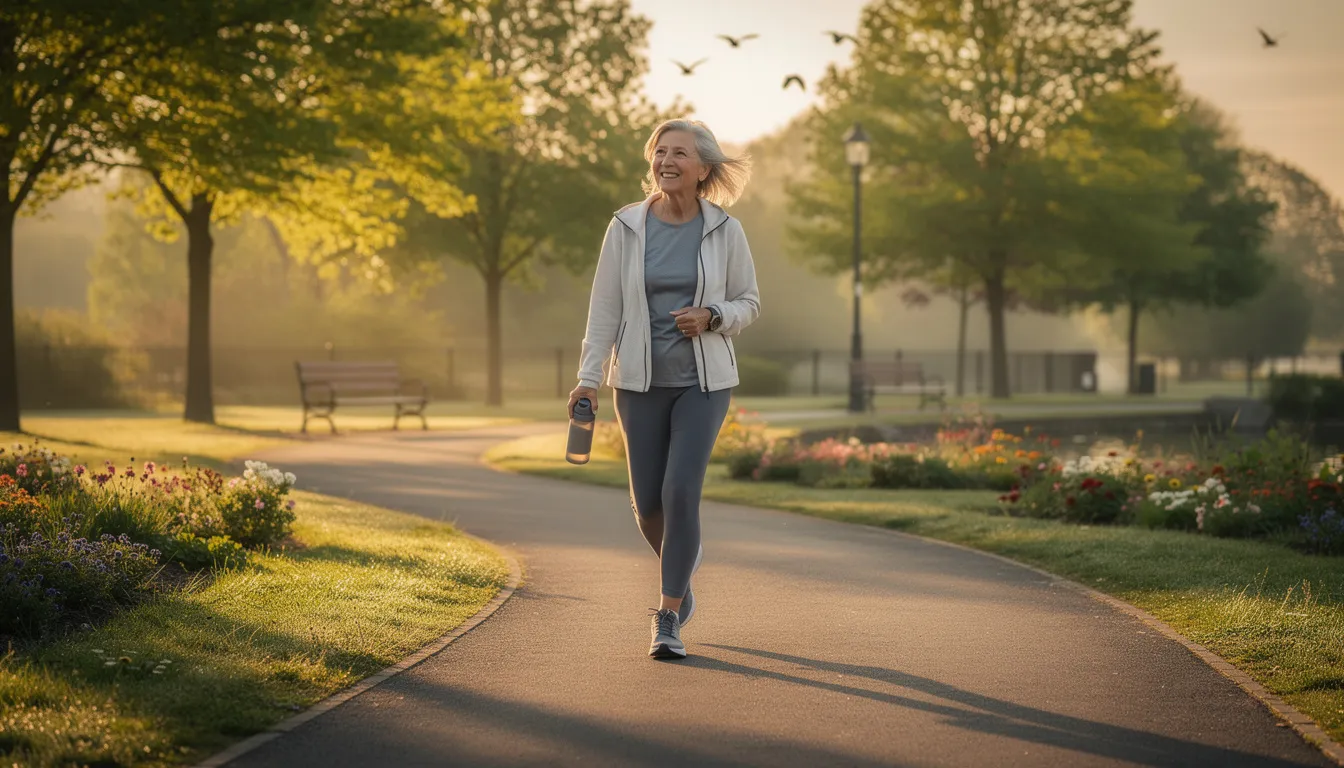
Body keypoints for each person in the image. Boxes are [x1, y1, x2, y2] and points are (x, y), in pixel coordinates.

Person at [569, 118, 760, 660]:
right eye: (660, 152)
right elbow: (603, 310)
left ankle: (668, 613)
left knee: (680, 493)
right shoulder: (626, 226)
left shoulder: (726, 230)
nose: (667, 161)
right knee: (648, 505)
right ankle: (683, 569)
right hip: (637, 383)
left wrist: (714, 314)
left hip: (703, 383)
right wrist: (587, 379)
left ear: (703, 169)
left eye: (680, 153)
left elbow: (749, 301)